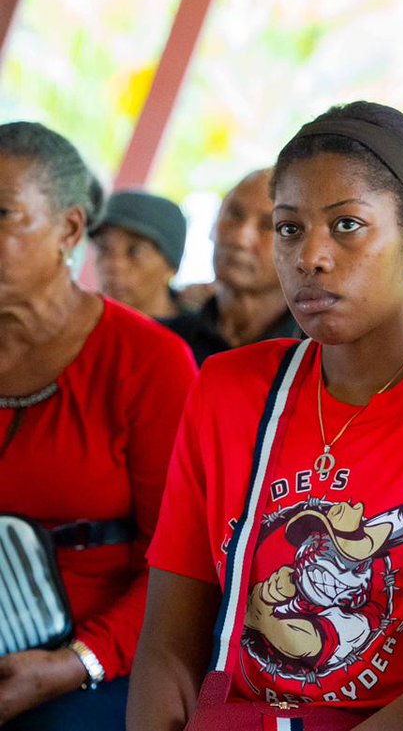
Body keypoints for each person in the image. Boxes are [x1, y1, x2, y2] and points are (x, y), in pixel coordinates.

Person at [128, 101, 403, 729]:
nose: (310, 257)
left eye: (347, 226)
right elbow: (167, 647)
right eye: (290, 229)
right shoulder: (229, 386)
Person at [0, 122, 197, 730]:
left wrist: (71, 665)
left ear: (69, 229)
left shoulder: (147, 361)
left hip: (94, 653)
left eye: (3, 214)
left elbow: (180, 564)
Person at [163, 168, 301, 365]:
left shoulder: (316, 363)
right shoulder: (167, 342)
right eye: (234, 215)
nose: (240, 239)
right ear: (213, 225)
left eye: (267, 225)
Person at [90, 189, 188, 322]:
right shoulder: (79, 328)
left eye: (135, 251)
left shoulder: (198, 338)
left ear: (171, 267)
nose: (113, 265)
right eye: (103, 248)